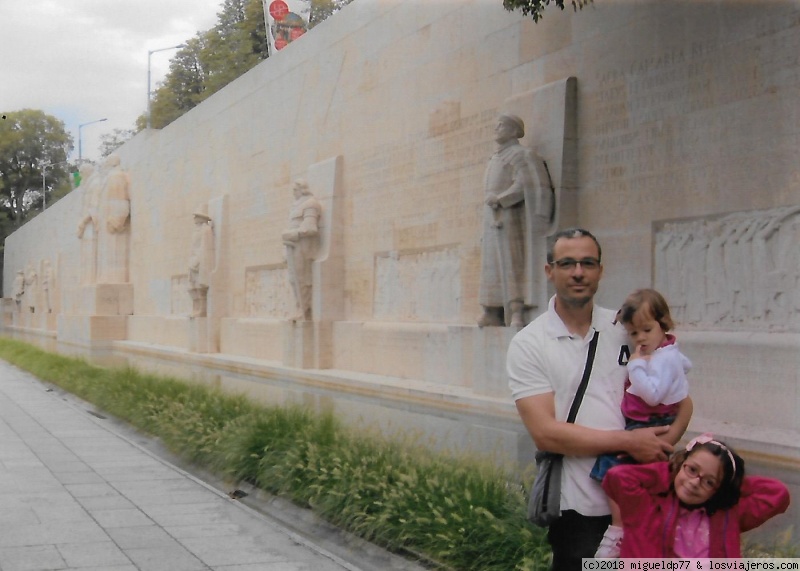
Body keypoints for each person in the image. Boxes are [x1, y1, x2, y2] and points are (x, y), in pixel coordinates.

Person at [508, 228, 693, 571]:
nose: (578, 272)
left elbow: (681, 399)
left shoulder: (626, 327)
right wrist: (630, 442)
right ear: (550, 271)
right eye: (567, 263)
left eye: (587, 263)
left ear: (600, 271)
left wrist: (665, 440)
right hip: (578, 506)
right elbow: (546, 433)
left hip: (642, 497)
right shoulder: (529, 343)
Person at [591, 288, 692, 557]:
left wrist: (635, 365)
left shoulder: (659, 358)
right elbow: (685, 365)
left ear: (664, 324)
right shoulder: (668, 351)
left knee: (612, 469)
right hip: (646, 423)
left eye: (647, 330)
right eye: (634, 333)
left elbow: (652, 394)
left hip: (649, 423)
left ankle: (617, 530)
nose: (641, 339)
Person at [602, 434, 790, 558]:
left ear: (719, 489)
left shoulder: (728, 514)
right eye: (692, 470)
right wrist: (672, 471)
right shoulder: (647, 505)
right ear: (681, 463)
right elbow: (617, 477)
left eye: (709, 482)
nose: (694, 483)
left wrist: (730, 483)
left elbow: (778, 494)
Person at [478, 113, 554, 328]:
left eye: (502, 125)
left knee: (512, 264)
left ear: (514, 131)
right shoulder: (494, 158)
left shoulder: (521, 155)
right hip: (492, 218)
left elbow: (526, 185)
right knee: (490, 266)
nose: (497, 128)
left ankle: (516, 312)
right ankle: (491, 310)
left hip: (511, 219)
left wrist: (501, 199)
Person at [282, 179, 322, 321]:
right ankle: (299, 306)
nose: (293, 193)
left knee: (301, 278)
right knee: (293, 279)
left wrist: (294, 234)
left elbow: (311, 227)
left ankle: (304, 309)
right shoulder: (296, 207)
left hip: (302, 246)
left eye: (295, 190)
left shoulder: (311, 204)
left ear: (302, 189)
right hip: (291, 246)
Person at [188, 204, 215, 317]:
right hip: (193, 261)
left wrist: (198, 260)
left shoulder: (206, 230)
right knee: (192, 286)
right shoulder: (196, 231)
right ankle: (196, 307)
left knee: (200, 286)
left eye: (197, 216)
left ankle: (202, 309)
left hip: (199, 261)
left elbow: (205, 248)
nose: (194, 218)